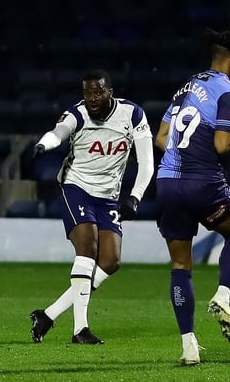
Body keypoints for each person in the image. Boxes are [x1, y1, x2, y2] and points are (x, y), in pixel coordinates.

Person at [29, 69, 155, 345]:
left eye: (98, 92)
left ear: (110, 91)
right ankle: (80, 330)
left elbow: (147, 161)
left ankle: (47, 315)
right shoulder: (77, 114)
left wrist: (135, 197)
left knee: (110, 261)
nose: (92, 98)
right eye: (87, 93)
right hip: (76, 187)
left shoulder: (132, 114)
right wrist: (44, 144)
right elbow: (58, 132)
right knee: (88, 250)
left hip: (108, 195)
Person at [154, 27, 230, 365]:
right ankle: (223, 296)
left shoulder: (185, 87)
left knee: (180, 265)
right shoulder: (229, 92)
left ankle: (189, 347)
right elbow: (223, 145)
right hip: (203, 181)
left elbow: (161, 136)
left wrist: (182, 157)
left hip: (167, 181)